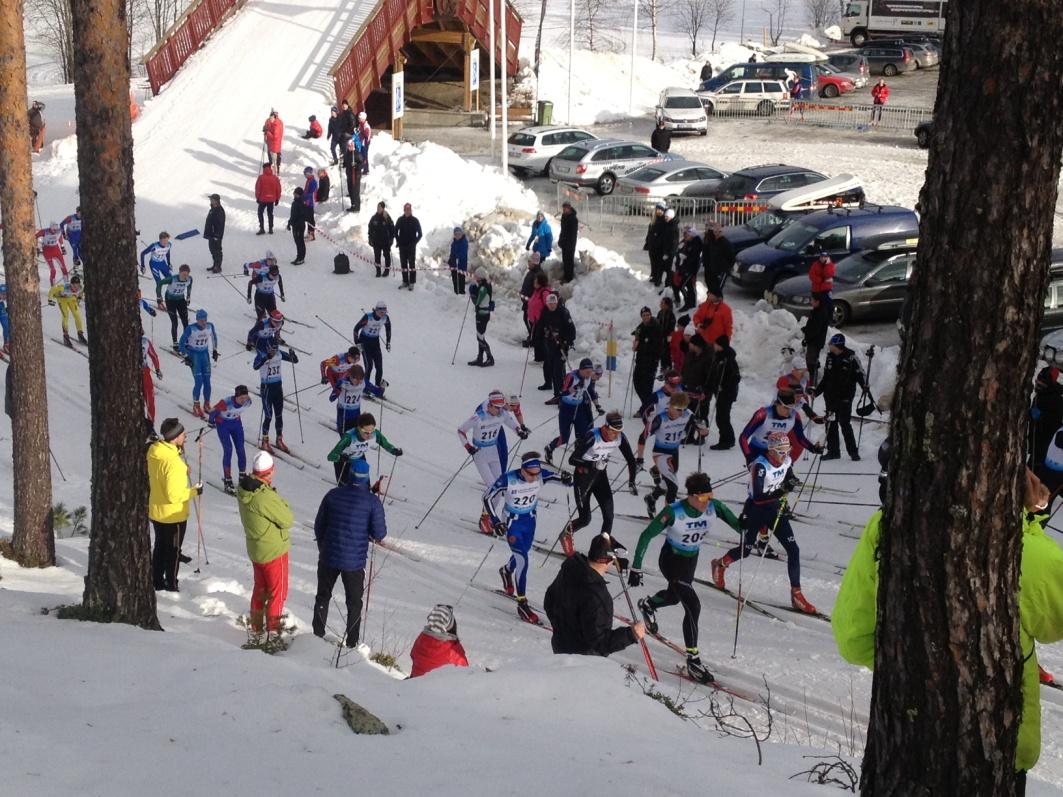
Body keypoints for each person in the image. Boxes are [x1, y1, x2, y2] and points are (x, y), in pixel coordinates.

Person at [833, 466, 1063, 792]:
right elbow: (1055, 620)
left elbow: (853, 639)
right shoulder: (1022, 551)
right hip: (996, 754)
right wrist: (1030, 522)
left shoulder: (888, 528)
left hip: (904, 745)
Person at [631, 471, 740, 683]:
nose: (706, 502)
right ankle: (693, 659)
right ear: (691, 496)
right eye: (702, 498)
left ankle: (649, 604)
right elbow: (646, 535)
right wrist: (636, 567)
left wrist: (758, 519)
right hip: (671, 561)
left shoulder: (715, 506)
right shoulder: (674, 511)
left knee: (674, 597)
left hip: (691, 561)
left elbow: (741, 527)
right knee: (693, 605)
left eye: (710, 496)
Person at [712, 432, 817, 613]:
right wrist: (781, 490)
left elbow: (788, 475)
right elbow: (758, 497)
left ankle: (796, 594)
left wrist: (791, 482)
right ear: (771, 450)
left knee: (794, 550)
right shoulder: (760, 466)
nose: (785, 455)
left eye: (787, 450)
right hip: (756, 510)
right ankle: (720, 564)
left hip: (775, 509)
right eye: (781, 451)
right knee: (746, 550)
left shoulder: (786, 460)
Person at [484, 451, 571, 623]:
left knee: (523, 552)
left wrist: (568, 479)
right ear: (522, 470)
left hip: (530, 520)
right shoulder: (508, 479)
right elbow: (486, 497)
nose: (534, 478)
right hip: (512, 523)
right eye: (530, 474)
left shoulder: (540, 475)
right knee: (523, 560)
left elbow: (564, 481)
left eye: (536, 474)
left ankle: (506, 570)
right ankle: (522, 603)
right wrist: (495, 521)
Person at [312, 457, 387, 646]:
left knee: (323, 595)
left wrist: (323, 546)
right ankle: (352, 643)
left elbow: (319, 525)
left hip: (328, 556)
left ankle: (317, 635)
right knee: (354, 603)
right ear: (366, 478)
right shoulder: (372, 502)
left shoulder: (333, 495)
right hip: (354, 562)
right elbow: (379, 533)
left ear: (349, 474)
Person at [544, 533, 645, 656]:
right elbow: (600, 642)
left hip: (560, 646)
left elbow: (549, 600)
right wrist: (631, 634)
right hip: (582, 659)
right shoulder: (598, 596)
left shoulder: (571, 569)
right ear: (609, 561)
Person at [564, 410, 638, 554]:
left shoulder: (620, 437)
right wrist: (592, 464)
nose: (616, 435)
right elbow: (572, 459)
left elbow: (631, 459)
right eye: (614, 432)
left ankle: (601, 548)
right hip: (583, 478)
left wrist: (632, 480)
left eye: (619, 431)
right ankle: (566, 534)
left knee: (609, 516)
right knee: (585, 519)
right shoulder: (593, 437)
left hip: (600, 477)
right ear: (606, 427)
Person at [237, 451, 294, 633]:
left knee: (260, 589)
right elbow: (287, 519)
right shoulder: (264, 497)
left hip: (256, 548)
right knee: (278, 592)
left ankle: (256, 628)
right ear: (270, 472)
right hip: (273, 550)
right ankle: (273, 632)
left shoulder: (245, 489)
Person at [148, 419, 202, 591]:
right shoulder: (173, 463)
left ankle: (156, 580)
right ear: (174, 437)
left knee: (160, 547)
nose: (185, 437)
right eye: (182, 434)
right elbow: (174, 495)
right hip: (173, 516)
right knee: (173, 551)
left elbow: (163, 475)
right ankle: (171, 584)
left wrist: (181, 470)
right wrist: (194, 491)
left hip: (156, 510)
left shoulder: (154, 451)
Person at [640, 392, 708, 516]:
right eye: (678, 410)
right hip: (660, 454)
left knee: (666, 483)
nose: (681, 413)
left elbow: (699, 425)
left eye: (684, 409)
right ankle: (669, 518)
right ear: (670, 406)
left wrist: (702, 429)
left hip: (674, 453)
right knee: (673, 487)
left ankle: (651, 498)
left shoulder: (687, 414)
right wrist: (639, 458)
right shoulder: (661, 418)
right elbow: (642, 437)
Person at [457, 389, 529, 488]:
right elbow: (468, 427)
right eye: (511, 407)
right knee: (499, 447)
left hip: (495, 424)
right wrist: (469, 446)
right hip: (486, 427)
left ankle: (501, 479)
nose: (513, 409)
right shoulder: (482, 412)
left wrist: (521, 429)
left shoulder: (508, 405)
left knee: (503, 449)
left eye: (515, 406)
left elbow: (512, 416)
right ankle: (494, 479)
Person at [814, 333, 865, 461]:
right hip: (830, 396)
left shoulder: (851, 357)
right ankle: (833, 451)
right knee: (830, 423)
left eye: (831, 344)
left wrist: (865, 386)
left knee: (844, 423)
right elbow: (826, 378)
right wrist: (817, 392)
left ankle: (853, 452)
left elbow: (860, 373)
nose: (829, 346)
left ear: (836, 345)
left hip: (845, 396)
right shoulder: (830, 357)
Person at [739, 387, 821, 464]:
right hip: (757, 451)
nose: (789, 412)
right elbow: (743, 437)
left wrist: (813, 448)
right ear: (777, 403)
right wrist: (748, 457)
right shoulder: (762, 414)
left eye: (791, 407)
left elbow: (800, 438)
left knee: (785, 470)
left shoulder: (794, 416)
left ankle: (789, 475)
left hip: (778, 455)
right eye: (786, 408)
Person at [545, 358, 603, 463]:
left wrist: (598, 406)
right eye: (587, 371)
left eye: (591, 371)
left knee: (583, 435)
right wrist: (575, 388)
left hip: (579, 408)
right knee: (564, 438)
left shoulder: (588, 378)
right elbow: (562, 393)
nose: (589, 374)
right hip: (566, 409)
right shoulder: (571, 377)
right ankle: (550, 448)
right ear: (581, 369)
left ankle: (579, 456)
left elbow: (591, 391)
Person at [327, 411, 402, 484]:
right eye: (366, 432)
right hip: (344, 463)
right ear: (359, 428)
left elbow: (386, 444)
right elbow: (330, 456)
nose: (369, 435)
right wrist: (340, 458)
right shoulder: (349, 437)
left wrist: (394, 450)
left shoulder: (375, 434)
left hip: (359, 460)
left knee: (365, 485)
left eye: (371, 431)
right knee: (345, 486)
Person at [254, 342, 297, 454]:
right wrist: (265, 358)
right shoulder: (262, 354)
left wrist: (293, 355)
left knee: (279, 415)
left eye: (276, 349)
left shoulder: (279, 354)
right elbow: (255, 366)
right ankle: (265, 441)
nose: (274, 352)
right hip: (267, 389)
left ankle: (279, 439)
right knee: (268, 416)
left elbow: (294, 360)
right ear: (268, 348)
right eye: (272, 350)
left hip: (278, 387)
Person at [208, 385, 253, 493]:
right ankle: (227, 480)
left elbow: (240, 409)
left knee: (241, 449)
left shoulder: (248, 402)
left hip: (236, 425)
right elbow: (213, 411)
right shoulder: (226, 402)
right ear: (236, 396)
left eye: (245, 397)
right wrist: (211, 421)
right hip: (223, 425)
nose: (243, 400)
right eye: (241, 398)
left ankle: (242, 476)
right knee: (228, 450)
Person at [533, 292, 576, 402]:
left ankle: (562, 395)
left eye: (554, 303)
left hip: (561, 346)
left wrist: (567, 342)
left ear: (557, 303)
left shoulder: (563, 312)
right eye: (550, 303)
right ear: (547, 304)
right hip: (550, 345)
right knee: (553, 369)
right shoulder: (545, 311)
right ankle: (558, 394)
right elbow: (540, 326)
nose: (552, 305)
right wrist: (534, 338)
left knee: (558, 370)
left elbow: (571, 330)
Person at [178, 308, 219, 418]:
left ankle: (207, 403)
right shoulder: (191, 329)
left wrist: (215, 350)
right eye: (201, 320)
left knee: (207, 382)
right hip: (194, 355)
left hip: (204, 355)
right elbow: (181, 343)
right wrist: (186, 356)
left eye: (205, 320)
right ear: (197, 320)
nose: (204, 322)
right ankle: (196, 405)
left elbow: (214, 337)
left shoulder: (210, 326)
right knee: (199, 381)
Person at [409, 604, 469, 677]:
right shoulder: (453, 650)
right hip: (436, 686)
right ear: (451, 625)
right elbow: (465, 671)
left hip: (413, 680)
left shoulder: (422, 638)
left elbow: (413, 655)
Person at [330, 365, 385, 434]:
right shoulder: (342, 382)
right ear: (350, 376)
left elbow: (378, 392)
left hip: (356, 416)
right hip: (343, 416)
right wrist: (338, 389)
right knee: (345, 439)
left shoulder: (364, 382)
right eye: (356, 379)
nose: (359, 382)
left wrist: (382, 387)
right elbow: (331, 398)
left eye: (361, 379)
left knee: (356, 439)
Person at [679, 333, 714, 441]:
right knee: (687, 413)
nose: (689, 345)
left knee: (701, 415)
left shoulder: (708, 357)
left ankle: (701, 436)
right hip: (688, 388)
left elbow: (711, 376)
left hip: (701, 391)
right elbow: (685, 368)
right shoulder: (690, 354)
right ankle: (689, 435)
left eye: (691, 344)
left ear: (697, 345)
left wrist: (706, 390)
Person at [708, 335, 740, 450]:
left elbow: (736, 378)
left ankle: (726, 440)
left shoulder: (729, 359)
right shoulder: (718, 356)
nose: (714, 346)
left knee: (722, 417)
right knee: (722, 416)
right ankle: (727, 439)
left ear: (721, 346)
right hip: (720, 392)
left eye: (716, 344)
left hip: (726, 393)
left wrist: (724, 387)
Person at [1030, 367, 1063, 470]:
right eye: (1037, 383)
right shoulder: (1039, 396)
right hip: (1034, 443)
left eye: (1041, 384)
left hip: (1046, 447)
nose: (1037, 386)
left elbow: (1056, 422)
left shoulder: (1057, 400)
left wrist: (1041, 416)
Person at [632, 306, 663, 411]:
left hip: (650, 362)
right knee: (637, 383)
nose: (646, 317)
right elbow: (637, 334)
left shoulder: (656, 327)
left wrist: (640, 345)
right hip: (640, 361)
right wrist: (636, 341)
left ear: (650, 315)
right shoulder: (641, 327)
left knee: (647, 387)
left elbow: (653, 346)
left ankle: (646, 409)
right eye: (644, 315)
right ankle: (647, 406)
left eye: (647, 315)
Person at [461, 269, 495, 367]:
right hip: (483, 313)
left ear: (480, 277)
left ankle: (490, 358)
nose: (475, 278)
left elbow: (477, 302)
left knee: (480, 338)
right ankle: (480, 358)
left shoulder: (483, 288)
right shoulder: (485, 285)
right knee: (481, 336)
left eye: (476, 277)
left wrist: (472, 293)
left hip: (482, 314)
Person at [353, 300, 391, 385]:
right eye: (380, 312)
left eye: (384, 312)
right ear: (376, 310)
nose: (382, 314)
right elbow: (356, 329)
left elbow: (388, 329)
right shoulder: (368, 317)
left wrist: (388, 342)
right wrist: (357, 343)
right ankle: (365, 385)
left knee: (379, 367)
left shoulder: (385, 318)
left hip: (375, 343)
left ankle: (377, 386)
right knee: (369, 366)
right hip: (364, 342)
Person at [156, 265, 193, 348]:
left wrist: (188, 297)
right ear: (179, 273)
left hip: (180, 300)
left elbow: (189, 287)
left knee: (185, 321)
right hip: (170, 300)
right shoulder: (172, 279)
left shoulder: (190, 279)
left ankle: (186, 341)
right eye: (183, 274)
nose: (185, 277)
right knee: (175, 322)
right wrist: (159, 296)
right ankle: (175, 342)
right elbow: (160, 283)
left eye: (186, 275)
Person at [47, 276, 86, 346]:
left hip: (71, 298)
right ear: (70, 284)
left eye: (77, 285)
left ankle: (80, 333)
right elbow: (52, 290)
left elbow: (82, 292)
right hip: (62, 300)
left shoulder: (80, 287)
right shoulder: (63, 287)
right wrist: (50, 299)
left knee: (77, 315)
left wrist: (80, 297)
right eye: (74, 285)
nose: (76, 288)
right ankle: (65, 335)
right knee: (66, 316)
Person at [802, 294, 830, 385]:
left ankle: (812, 384)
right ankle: (812, 381)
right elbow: (812, 325)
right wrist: (806, 329)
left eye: (813, 300)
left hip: (815, 342)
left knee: (811, 363)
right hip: (813, 341)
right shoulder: (816, 310)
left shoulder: (820, 313)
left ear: (818, 302)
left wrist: (807, 336)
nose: (811, 302)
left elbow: (815, 330)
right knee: (811, 361)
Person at [673, 226, 701, 311]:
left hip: (691, 269)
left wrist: (686, 257)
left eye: (686, 234)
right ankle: (689, 303)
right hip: (685, 267)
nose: (684, 236)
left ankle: (689, 303)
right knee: (685, 285)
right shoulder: (688, 242)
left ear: (691, 234)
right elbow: (681, 250)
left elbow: (695, 257)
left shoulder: (696, 243)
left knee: (684, 286)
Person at [395, 203, 423, 289]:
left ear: (411, 210)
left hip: (411, 247)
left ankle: (412, 282)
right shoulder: (400, 220)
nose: (407, 211)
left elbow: (420, 234)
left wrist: (414, 243)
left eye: (409, 210)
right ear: (404, 210)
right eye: (406, 210)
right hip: (402, 246)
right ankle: (405, 281)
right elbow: (395, 231)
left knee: (411, 265)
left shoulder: (415, 220)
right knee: (403, 264)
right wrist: (398, 241)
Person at [702, 222, 734, 295]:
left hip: (721, 270)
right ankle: (711, 304)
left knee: (717, 291)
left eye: (719, 231)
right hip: (712, 269)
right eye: (715, 231)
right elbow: (706, 250)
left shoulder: (725, 243)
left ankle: (718, 305)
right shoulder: (712, 241)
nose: (716, 233)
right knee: (711, 289)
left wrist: (726, 268)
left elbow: (731, 257)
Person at [519, 251, 543, 341]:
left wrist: (531, 300)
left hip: (531, 303)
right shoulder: (531, 272)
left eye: (530, 261)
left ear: (535, 262)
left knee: (530, 320)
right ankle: (532, 336)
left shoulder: (538, 274)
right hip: (527, 301)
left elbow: (538, 289)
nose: (528, 263)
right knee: (527, 319)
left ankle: (534, 338)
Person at [36, 221, 68, 286]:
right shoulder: (44, 231)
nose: (54, 231)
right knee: (53, 270)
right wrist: (37, 247)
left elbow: (60, 238)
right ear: (50, 228)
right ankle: (53, 286)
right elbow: (35, 237)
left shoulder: (59, 231)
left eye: (56, 230)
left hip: (56, 250)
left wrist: (63, 247)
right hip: (47, 251)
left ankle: (67, 284)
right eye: (53, 230)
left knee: (64, 268)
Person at [643, 204, 668, 287]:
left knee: (658, 263)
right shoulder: (654, 219)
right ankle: (653, 276)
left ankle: (658, 279)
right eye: (657, 209)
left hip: (659, 245)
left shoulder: (664, 220)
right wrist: (647, 242)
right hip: (652, 244)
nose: (658, 211)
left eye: (660, 209)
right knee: (653, 261)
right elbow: (649, 231)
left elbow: (663, 234)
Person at [368, 201, 395, 277]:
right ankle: (378, 271)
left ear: (383, 208)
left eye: (380, 207)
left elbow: (392, 228)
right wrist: (370, 238)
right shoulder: (374, 218)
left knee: (386, 256)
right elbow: (370, 228)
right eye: (377, 207)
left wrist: (392, 238)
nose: (378, 209)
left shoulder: (387, 217)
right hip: (376, 241)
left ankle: (386, 270)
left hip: (386, 241)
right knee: (377, 256)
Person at [254, 162, 281, 235]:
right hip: (271, 200)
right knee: (270, 213)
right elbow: (278, 189)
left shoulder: (261, 177)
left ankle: (262, 228)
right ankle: (270, 228)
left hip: (262, 199)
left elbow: (258, 188)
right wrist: (277, 199)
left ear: (264, 168)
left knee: (260, 213)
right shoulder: (275, 178)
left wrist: (257, 197)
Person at [141, 334, 162, 426]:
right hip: (130, 373)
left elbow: (154, 356)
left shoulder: (145, 341)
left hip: (145, 372)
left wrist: (157, 369)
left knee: (150, 398)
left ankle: (150, 424)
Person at [204, 194, 225, 274]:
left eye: (212, 199)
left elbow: (220, 225)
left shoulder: (219, 211)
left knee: (217, 251)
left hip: (216, 236)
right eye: (210, 199)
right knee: (212, 250)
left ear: (216, 201)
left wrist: (217, 235)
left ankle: (218, 266)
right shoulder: (213, 209)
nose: (210, 201)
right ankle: (215, 264)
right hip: (211, 234)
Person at [558, 201, 578, 283]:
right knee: (565, 260)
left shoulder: (573, 219)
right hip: (564, 243)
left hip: (570, 244)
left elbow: (572, 234)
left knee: (569, 261)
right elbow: (562, 230)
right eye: (563, 208)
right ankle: (566, 276)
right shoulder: (564, 216)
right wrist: (560, 240)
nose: (564, 210)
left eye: (565, 208)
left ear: (569, 208)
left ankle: (569, 278)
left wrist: (569, 244)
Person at [286, 187, 307, 265]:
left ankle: (301, 258)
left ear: (299, 195)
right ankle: (299, 257)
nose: (294, 195)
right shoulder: (295, 203)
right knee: (298, 242)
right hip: (295, 225)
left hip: (299, 226)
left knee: (300, 242)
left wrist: (295, 223)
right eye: (294, 193)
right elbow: (293, 215)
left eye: (296, 194)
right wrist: (289, 223)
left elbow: (301, 215)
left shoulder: (301, 203)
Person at [343, 136, 363, 212]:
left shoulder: (357, 154)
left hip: (356, 176)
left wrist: (356, 166)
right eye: (348, 146)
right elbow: (346, 162)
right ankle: (353, 205)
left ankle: (357, 207)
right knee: (350, 190)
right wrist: (343, 164)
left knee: (355, 192)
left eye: (351, 145)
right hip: (349, 175)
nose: (349, 147)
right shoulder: (347, 154)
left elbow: (362, 164)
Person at [657, 296, 676, 373]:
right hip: (661, 336)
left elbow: (671, 327)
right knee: (662, 351)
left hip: (668, 336)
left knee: (667, 350)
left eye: (662, 303)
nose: (660, 304)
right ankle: (663, 366)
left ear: (667, 305)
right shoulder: (660, 313)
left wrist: (666, 334)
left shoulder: (671, 314)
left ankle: (668, 366)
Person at [449, 226, 469, 295]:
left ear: (461, 234)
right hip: (454, 265)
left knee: (460, 280)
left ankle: (461, 293)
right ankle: (456, 293)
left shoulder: (464, 242)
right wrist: (451, 259)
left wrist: (456, 257)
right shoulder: (454, 243)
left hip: (461, 265)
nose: (457, 235)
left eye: (459, 234)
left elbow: (463, 254)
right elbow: (452, 252)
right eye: (456, 234)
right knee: (455, 279)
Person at [302, 167, 318, 240]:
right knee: (308, 219)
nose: (304, 175)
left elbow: (311, 194)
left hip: (310, 203)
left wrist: (307, 201)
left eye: (305, 174)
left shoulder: (313, 182)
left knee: (310, 219)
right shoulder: (308, 181)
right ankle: (309, 233)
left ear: (309, 173)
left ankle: (312, 234)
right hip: (307, 202)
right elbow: (306, 191)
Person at [0, 284, 9, 355]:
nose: (4, 296)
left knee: (7, 326)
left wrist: (6, 310)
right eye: (2, 294)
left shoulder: (2, 301)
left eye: (5, 294)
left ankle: (6, 343)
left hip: (1, 310)